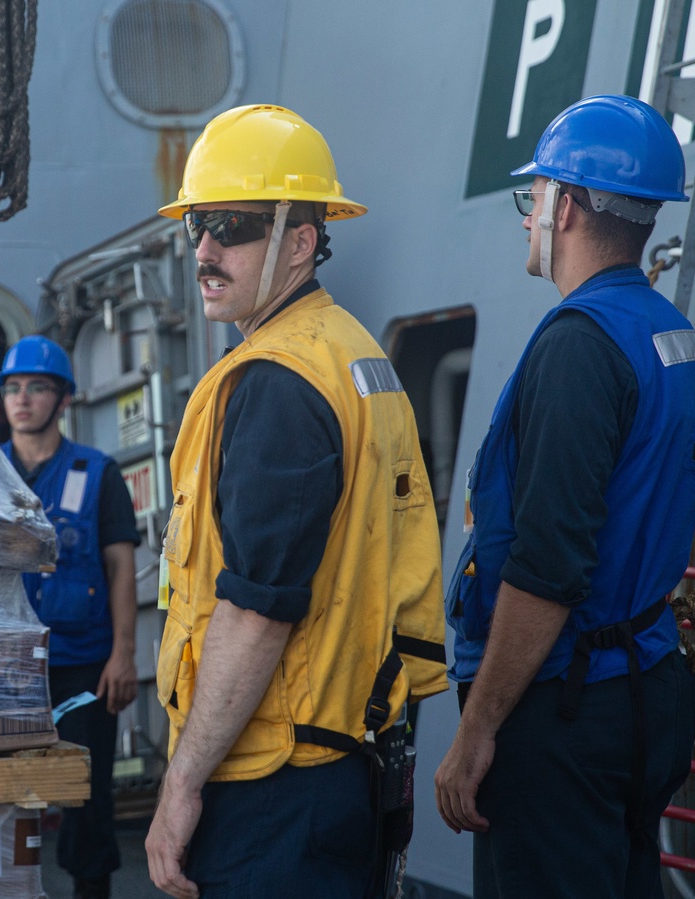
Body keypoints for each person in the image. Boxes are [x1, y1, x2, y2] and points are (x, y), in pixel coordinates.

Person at [143, 104, 448, 899]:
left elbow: (257, 611)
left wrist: (180, 783)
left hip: (273, 783)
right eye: (197, 225)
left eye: (233, 227)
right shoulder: (350, 351)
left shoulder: (279, 381)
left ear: (301, 242)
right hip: (341, 762)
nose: (205, 250)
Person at [435, 94, 695, 897]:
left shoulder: (577, 348)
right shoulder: (677, 339)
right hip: (646, 690)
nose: (530, 215)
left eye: (536, 197)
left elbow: (548, 567)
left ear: (563, 205)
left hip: (566, 710)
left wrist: (479, 729)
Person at [0, 335, 139, 899]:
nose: (22, 399)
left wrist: (124, 655)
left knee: (86, 794)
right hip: (8, 671)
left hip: (82, 667)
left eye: (37, 387)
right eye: (12, 388)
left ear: (63, 400)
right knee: (6, 791)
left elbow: (121, 568)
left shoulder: (96, 473)